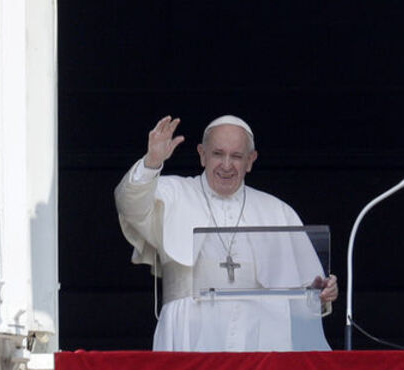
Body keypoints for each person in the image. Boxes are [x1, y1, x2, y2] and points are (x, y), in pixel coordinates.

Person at [115, 115, 338, 351]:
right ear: (202, 154)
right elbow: (129, 205)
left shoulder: (277, 211)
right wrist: (151, 163)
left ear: (251, 161)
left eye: (237, 156)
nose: (227, 165)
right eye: (218, 154)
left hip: (259, 337)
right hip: (189, 332)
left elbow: (307, 294)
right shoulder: (171, 193)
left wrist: (319, 295)